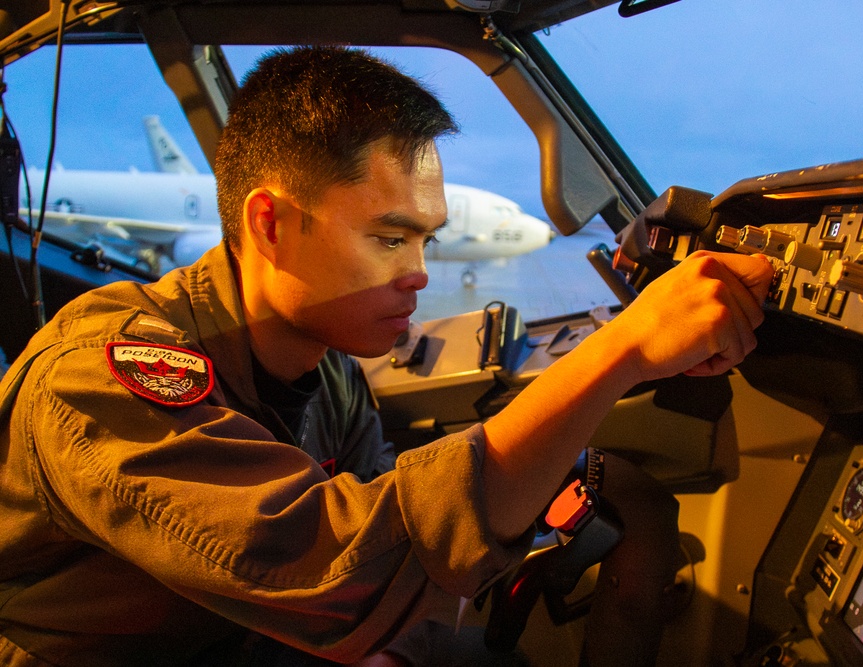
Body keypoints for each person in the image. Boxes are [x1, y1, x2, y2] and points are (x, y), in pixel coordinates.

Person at [0, 45, 774, 666]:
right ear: (269, 225)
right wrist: (623, 348)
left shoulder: (327, 369)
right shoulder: (102, 376)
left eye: (425, 239)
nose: (420, 272)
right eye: (389, 237)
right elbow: (341, 567)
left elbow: (379, 522)